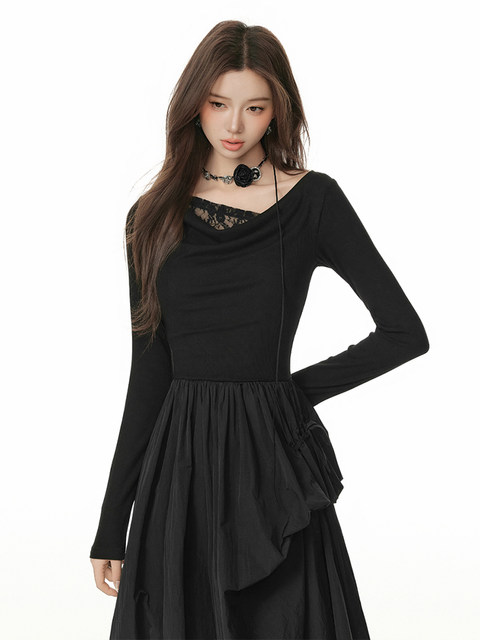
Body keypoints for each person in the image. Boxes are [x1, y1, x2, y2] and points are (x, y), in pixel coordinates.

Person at [89, 19, 429, 640]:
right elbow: (149, 370)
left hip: (272, 462)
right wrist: (113, 522)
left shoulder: (314, 201)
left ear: (278, 110)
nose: (234, 125)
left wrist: (291, 392)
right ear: (193, 104)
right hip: (180, 470)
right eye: (218, 104)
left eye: (255, 107)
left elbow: (404, 332)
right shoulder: (151, 216)